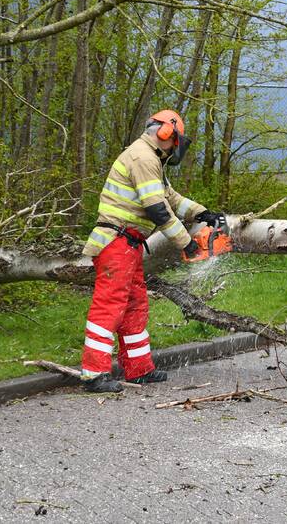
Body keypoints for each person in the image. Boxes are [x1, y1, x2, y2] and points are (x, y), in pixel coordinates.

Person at [80, 109, 224, 393]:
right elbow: (157, 209)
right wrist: (188, 243)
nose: (175, 147)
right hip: (115, 241)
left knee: (135, 305)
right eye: (175, 140)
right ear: (166, 133)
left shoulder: (151, 160)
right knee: (109, 305)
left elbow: (171, 198)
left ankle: (138, 369)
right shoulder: (143, 157)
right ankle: (93, 373)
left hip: (129, 244)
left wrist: (202, 213)